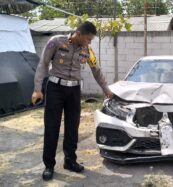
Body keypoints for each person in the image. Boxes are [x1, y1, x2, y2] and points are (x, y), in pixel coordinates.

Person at [31, 21, 113, 181]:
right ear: (79, 34)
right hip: (55, 88)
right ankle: (49, 165)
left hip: (74, 91)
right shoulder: (55, 41)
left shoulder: (87, 50)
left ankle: (70, 161)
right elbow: (43, 64)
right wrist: (37, 89)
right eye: (88, 39)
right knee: (52, 127)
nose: (90, 43)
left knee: (72, 127)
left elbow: (96, 71)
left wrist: (106, 89)